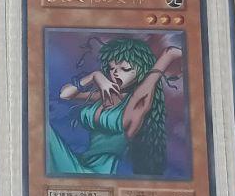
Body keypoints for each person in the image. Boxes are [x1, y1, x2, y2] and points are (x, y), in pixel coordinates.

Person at [48, 36, 181, 176]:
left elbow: (151, 80)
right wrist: (94, 76)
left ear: (140, 71)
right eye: (112, 68)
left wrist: (169, 55)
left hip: (98, 172)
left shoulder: (136, 104)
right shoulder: (104, 96)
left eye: (125, 69)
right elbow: (65, 95)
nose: (115, 73)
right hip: (81, 162)